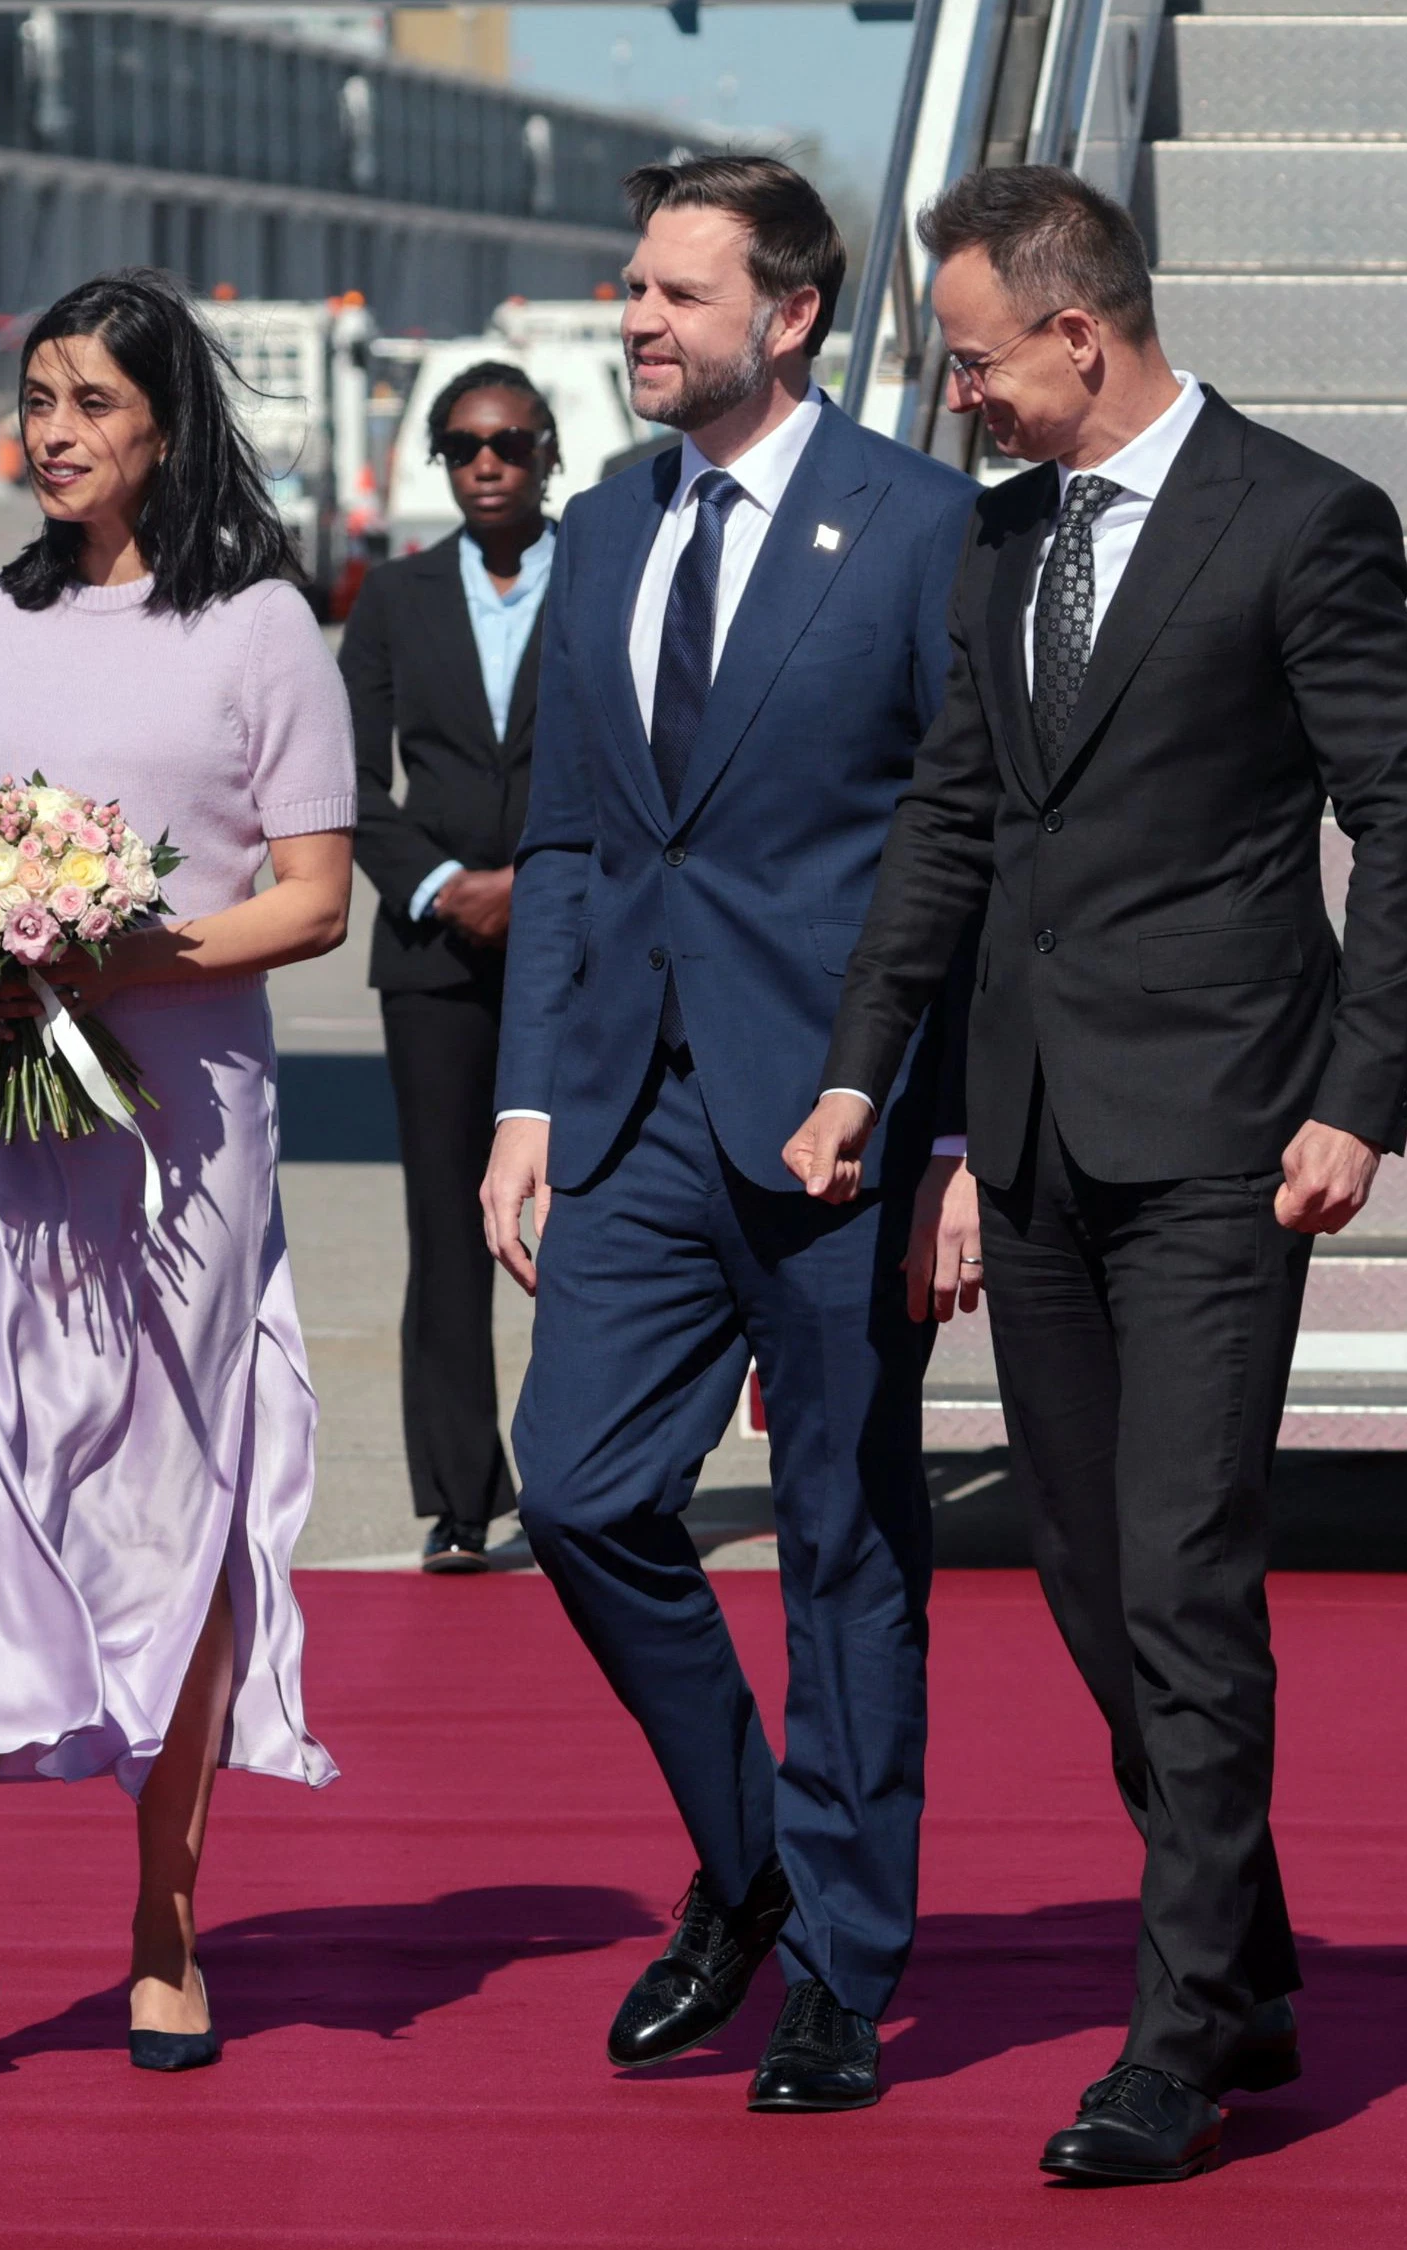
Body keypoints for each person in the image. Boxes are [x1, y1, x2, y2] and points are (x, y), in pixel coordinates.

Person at [787, 165, 1407, 2181]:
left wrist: (1358, 1093)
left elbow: (1397, 822)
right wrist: (862, 1077)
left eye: (975, 359)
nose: (958, 398)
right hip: (1040, 1131)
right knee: (1081, 1572)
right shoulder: (1000, 546)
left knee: (1179, 1569)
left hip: (1227, 1139)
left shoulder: (1300, 520)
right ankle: (1239, 1947)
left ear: (1076, 334)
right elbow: (950, 824)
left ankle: (1174, 2041)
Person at [478, 156, 973, 2117]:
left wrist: (949, 1147)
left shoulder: (921, 528)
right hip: (629, 1107)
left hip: (845, 1121)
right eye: (629, 286)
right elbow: (574, 834)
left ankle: (845, 1960)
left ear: (787, 317)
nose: (635, 319)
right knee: (578, 1490)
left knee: (844, 1542)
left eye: (676, 292)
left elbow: (972, 858)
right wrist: (526, 1094)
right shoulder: (602, 529)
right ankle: (755, 1858)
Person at [0, 269, 349, 2077]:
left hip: (184, 1131)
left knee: (172, 1494)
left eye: (91, 403)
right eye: (38, 401)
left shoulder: (260, 628)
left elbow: (312, 895)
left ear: (165, 425)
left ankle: (164, 1919)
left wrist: (125, 953)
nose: (54, 432)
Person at [343, 360, 559, 1572]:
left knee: (590, 1215)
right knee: (447, 1225)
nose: (488, 464)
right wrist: (442, 887)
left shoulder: (605, 571)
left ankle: (588, 1475)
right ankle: (461, 1497)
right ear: (439, 458)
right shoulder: (396, 594)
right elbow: (345, 772)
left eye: (511, 444)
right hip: (431, 953)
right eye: (465, 445)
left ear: (547, 455)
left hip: (576, 943)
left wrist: (543, 885)